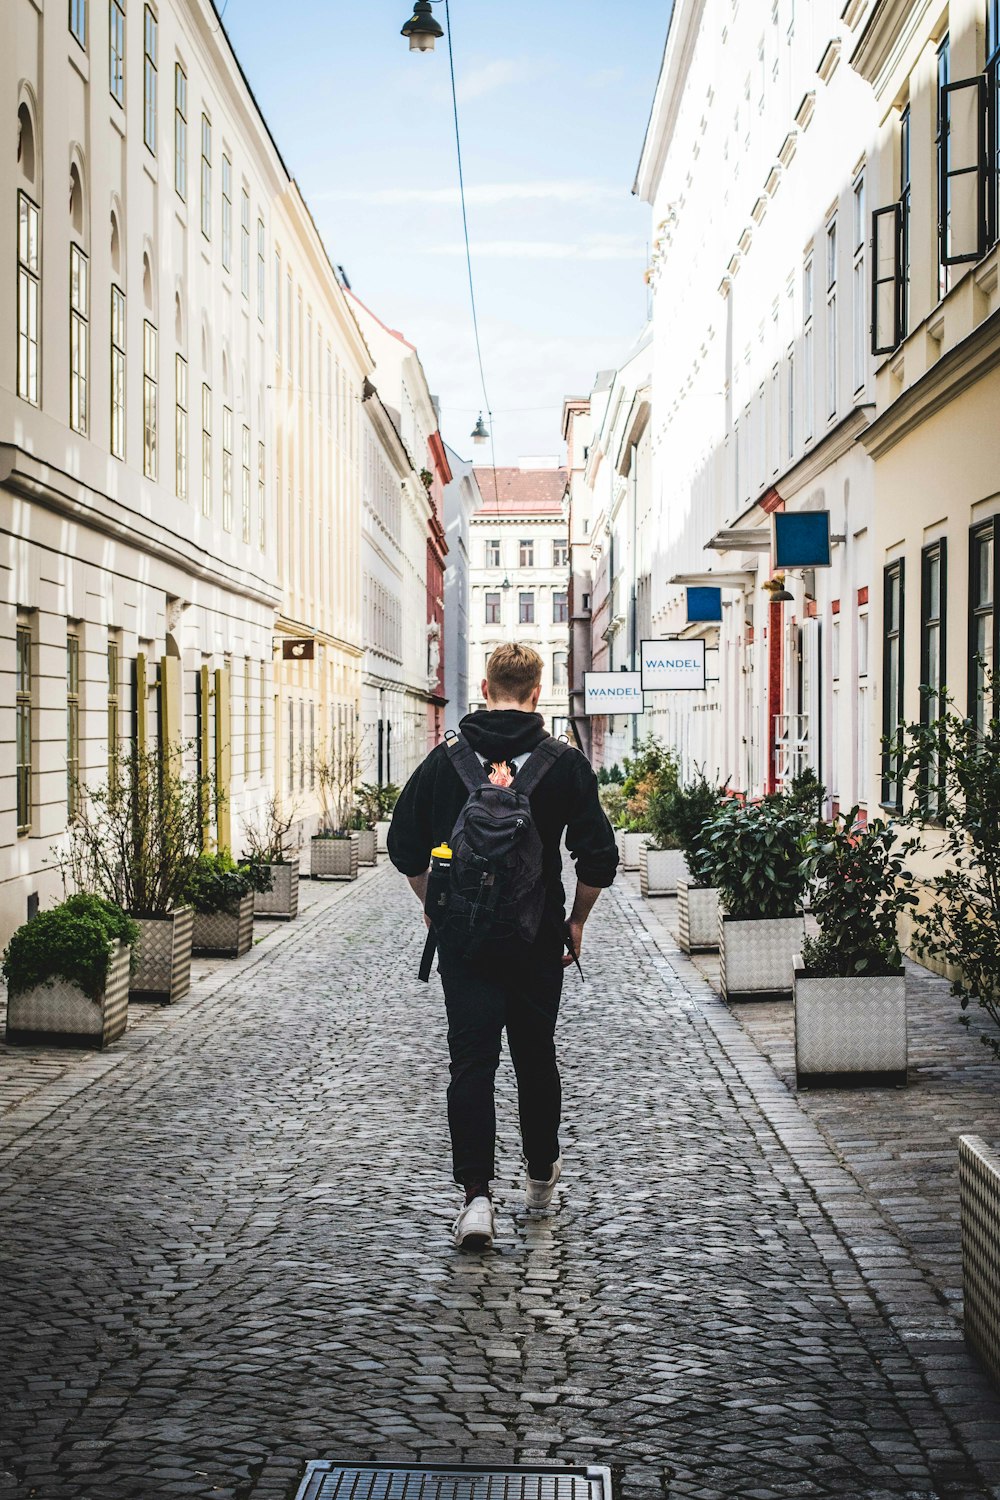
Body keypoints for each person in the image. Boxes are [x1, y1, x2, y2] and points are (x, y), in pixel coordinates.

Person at [387, 642, 619, 1250]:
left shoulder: (445, 761)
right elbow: (599, 857)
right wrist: (576, 922)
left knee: (471, 1065)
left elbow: (403, 844)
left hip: (464, 946)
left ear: (484, 688)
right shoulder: (563, 764)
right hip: (537, 938)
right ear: (537, 692)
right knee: (535, 1059)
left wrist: (436, 910)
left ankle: (476, 1200)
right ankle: (541, 1181)